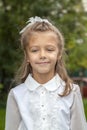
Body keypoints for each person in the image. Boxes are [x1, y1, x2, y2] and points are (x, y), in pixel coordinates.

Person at [5, 16, 87, 130]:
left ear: (59, 54)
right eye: (34, 50)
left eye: (49, 49)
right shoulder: (16, 95)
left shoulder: (72, 92)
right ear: (27, 56)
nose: (42, 55)